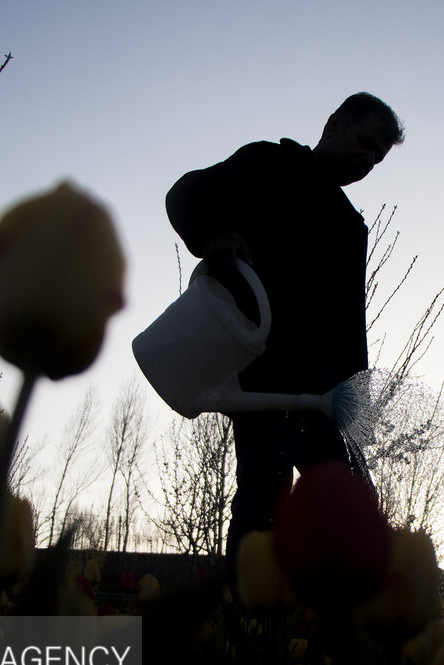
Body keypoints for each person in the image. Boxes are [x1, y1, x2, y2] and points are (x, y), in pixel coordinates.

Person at [165, 92, 404, 571]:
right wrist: (212, 235)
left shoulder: (350, 227)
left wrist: (358, 404)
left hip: (320, 388)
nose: (366, 160)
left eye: (376, 158)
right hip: (258, 373)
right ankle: (250, 622)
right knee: (264, 491)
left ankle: (334, 625)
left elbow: (348, 322)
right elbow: (184, 194)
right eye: (363, 142)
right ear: (333, 124)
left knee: (351, 498)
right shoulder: (267, 164)